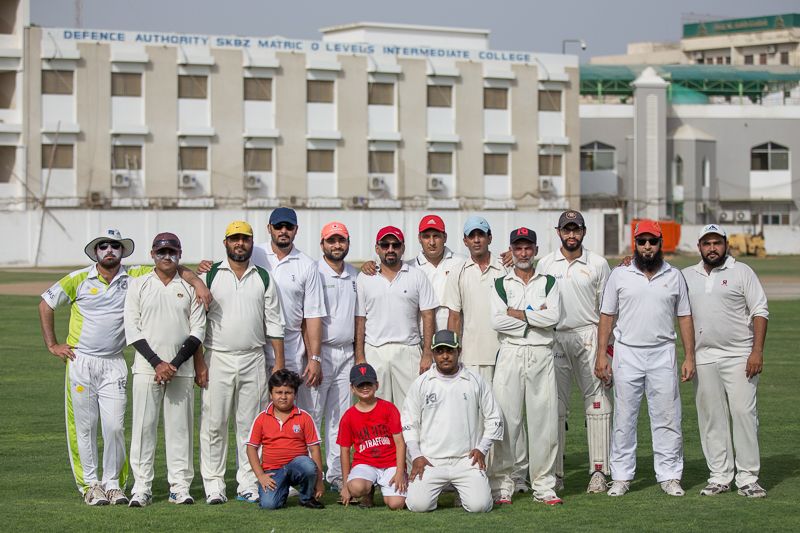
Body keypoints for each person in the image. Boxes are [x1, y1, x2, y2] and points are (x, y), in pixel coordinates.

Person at [38, 228, 209, 506]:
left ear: (122, 251)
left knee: (115, 427)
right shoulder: (79, 278)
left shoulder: (133, 276)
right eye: (103, 246)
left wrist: (197, 282)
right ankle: (90, 485)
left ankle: (113, 484)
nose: (109, 250)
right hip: (81, 359)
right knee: (84, 427)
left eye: (115, 246)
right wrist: (52, 345)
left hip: (114, 361)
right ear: (95, 251)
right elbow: (46, 304)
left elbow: (171, 265)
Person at [594, 219, 696, 497]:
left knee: (667, 417)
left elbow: (684, 316)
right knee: (624, 418)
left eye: (652, 241)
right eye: (642, 241)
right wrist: (601, 354)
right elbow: (607, 315)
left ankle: (670, 475)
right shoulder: (620, 274)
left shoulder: (674, 275)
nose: (647, 246)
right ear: (635, 244)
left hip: (663, 352)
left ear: (661, 243)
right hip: (627, 352)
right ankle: (621, 476)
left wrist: (689, 356)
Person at [196, 221, 286, 505]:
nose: (240, 244)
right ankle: (214, 484)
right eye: (234, 239)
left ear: (251, 242)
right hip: (217, 356)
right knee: (214, 424)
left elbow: (275, 323)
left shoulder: (263, 277)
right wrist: (199, 363)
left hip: (253, 357)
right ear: (225, 243)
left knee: (251, 426)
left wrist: (279, 363)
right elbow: (196, 322)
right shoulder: (210, 274)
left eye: (245, 239)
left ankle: (248, 482)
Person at [682, 224, 769, 498]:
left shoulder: (742, 271)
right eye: (707, 243)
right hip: (703, 357)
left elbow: (760, 310)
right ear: (699, 247)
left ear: (726, 245)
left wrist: (756, 351)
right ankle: (719, 476)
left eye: (717, 243)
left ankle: (748, 478)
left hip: (740, 355)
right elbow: (657, 280)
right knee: (711, 418)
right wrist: (628, 262)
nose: (712, 248)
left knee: (744, 415)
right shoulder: (687, 275)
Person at [124, 232, 207, 506]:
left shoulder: (190, 287)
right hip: (147, 369)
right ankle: (141, 487)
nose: (167, 256)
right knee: (143, 428)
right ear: (152, 255)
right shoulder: (139, 285)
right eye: (161, 252)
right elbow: (132, 329)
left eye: (172, 252)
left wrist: (174, 363)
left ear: (179, 254)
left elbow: (198, 330)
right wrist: (157, 363)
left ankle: (179, 487)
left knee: (180, 430)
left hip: (181, 370)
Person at [534, 210, 612, 494]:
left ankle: (599, 471)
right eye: (566, 230)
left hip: (589, 335)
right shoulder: (545, 264)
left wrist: (604, 351)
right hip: (556, 336)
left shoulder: (598, 264)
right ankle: (555, 474)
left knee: (597, 404)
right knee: (554, 407)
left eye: (575, 229)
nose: (571, 235)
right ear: (558, 232)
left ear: (583, 232)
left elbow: (607, 310)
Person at [489, 228, 562, 506]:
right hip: (510, 353)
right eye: (518, 248)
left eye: (528, 248)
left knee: (544, 420)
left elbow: (554, 317)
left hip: (541, 353)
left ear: (535, 250)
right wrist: (535, 319)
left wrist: (519, 314)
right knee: (507, 420)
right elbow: (497, 321)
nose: (523, 253)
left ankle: (544, 484)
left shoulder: (549, 281)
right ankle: (503, 483)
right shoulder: (500, 283)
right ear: (511, 250)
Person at [402, 330, 503, 513]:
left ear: (459, 351)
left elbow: (494, 417)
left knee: (480, 506)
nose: (445, 356)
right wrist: (416, 455)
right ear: (433, 353)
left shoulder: (475, 381)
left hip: (466, 460)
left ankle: (463, 490)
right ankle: (440, 490)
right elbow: (409, 422)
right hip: (430, 460)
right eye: (440, 351)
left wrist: (482, 448)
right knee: (418, 505)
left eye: (450, 350)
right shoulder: (422, 383)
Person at [251, 207, 327, 414]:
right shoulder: (254, 254)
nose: (283, 231)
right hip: (256, 347)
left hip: (292, 348)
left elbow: (312, 315)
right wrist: (204, 268)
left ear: (296, 230)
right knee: (257, 413)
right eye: (278, 226)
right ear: (269, 228)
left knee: (291, 412)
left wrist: (315, 358)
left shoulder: (307, 265)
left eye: (288, 227)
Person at [355, 226, 437, 410]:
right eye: (385, 245)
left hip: (408, 350)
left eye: (395, 245)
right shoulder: (364, 278)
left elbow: (428, 315)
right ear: (377, 249)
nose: (390, 249)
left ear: (403, 248)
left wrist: (427, 353)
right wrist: (360, 355)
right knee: (375, 409)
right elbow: (360, 319)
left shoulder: (417, 276)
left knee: (411, 409)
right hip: (375, 350)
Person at [361, 215, 464, 331]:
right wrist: (370, 265)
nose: (431, 242)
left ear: (445, 237)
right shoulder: (409, 268)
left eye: (436, 236)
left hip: (455, 336)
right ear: (419, 238)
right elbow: (387, 269)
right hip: (422, 337)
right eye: (426, 236)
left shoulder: (461, 263)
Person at [316, 221, 359, 491]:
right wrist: (313, 356)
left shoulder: (355, 274)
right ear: (322, 244)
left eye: (341, 240)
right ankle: (311, 473)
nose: (336, 245)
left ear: (348, 243)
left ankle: (335, 474)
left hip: (347, 352)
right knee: (313, 413)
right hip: (320, 352)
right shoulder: (314, 272)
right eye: (331, 240)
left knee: (340, 417)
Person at [245, 369, 325, 510]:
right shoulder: (261, 418)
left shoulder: (304, 417)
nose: (283, 397)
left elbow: (314, 449)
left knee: (308, 466)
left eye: (288, 392)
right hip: (273, 470)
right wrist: (261, 475)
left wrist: (319, 480)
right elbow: (251, 448)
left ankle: (307, 498)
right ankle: (281, 491)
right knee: (269, 505)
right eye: (278, 392)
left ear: (295, 394)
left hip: (297, 466)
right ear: (271, 394)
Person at [337, 363, 407, 510]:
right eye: (360, 385)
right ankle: (368, 491)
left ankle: (384, 486)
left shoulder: (389, 408)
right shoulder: (348, 416)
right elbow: (344, 450)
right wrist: (345, 485)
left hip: (391, 463)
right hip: (365, 463)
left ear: (377, 385)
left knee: (396, 504)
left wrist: (400, 472)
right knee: (355, 488)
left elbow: (400, 443)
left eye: (368, 383)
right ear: (352, 388)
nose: (365, 388)